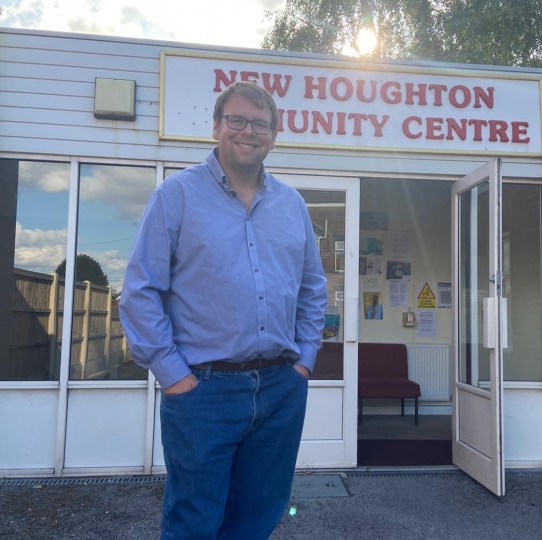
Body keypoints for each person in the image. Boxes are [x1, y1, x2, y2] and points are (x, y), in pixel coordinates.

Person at [119, 81, 327, 540]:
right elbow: (139, 293)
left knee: (259, 518)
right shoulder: (176, 197)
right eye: (236, 120)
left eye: (260, 124)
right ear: (216, 127)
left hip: (280, 389)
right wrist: (174, 376)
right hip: (202, 392)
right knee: (194, 522)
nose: (247, 131)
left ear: (274, 134)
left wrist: (304, 362)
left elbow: (313, 287)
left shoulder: (292, 206)